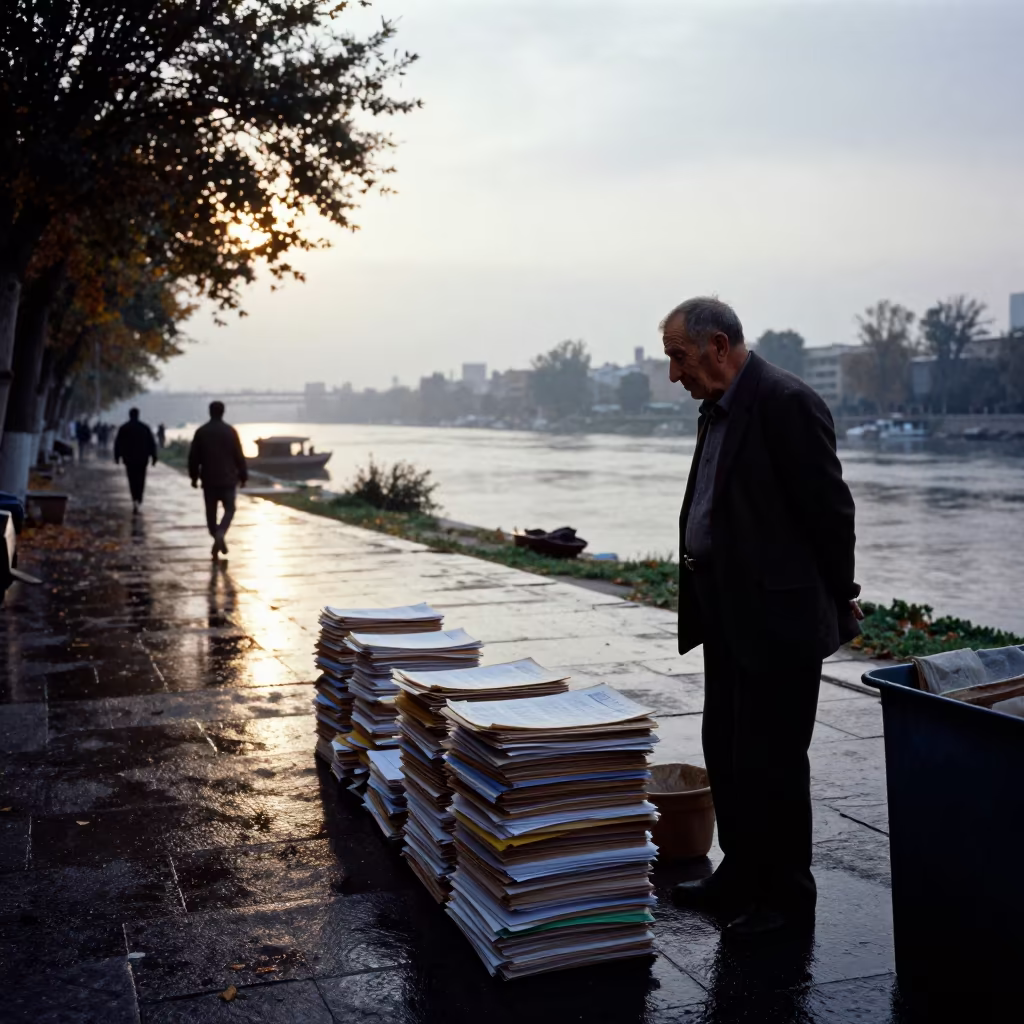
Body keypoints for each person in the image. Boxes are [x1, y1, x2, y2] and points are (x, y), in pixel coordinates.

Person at [663, 296, 862, 939]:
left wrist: (842, 593)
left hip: (779, 618)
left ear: (719, 346)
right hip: (725, 610)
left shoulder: (786, 402)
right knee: (725, 750)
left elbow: (829, 512)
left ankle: (786, 901)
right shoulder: (716, 408)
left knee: (774, 761)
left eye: (680, 357)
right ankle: (739, 876)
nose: (675, 374)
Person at [187, 401, 247, 559]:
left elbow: (194, 458)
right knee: (230, 509)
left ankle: (216, 536)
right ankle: (220, 534)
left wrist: (193, 477)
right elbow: (239, 456)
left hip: (209, 480)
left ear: (209, 412)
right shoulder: (230, 431)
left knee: (211, 513)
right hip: (228, 479)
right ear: (223, 412)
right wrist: (243, 476)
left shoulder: (201, 432)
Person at [114, 409, 158, 513]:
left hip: (129, 459)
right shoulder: (145, 428)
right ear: (138, 415)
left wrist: (117, 457)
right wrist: (154, 457)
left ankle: (134, 498)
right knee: (141, 479)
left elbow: (118, 443)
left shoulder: (124, 428)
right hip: (142, 459)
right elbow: (152, 443)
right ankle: (139, 497)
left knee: (132, 479)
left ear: (129, 415)